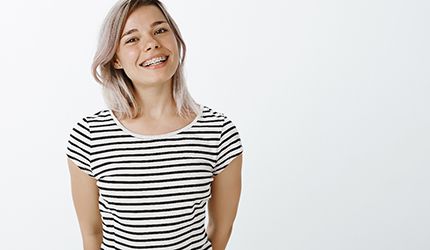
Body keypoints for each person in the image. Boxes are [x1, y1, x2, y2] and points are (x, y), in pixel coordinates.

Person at [65, 0, 244, 249]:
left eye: (160, 30)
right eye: (131, 39)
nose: (151, 44)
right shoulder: (90, 136)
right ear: (115, 59)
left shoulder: (218, 132)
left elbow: (221, 229)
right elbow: (92, 234)